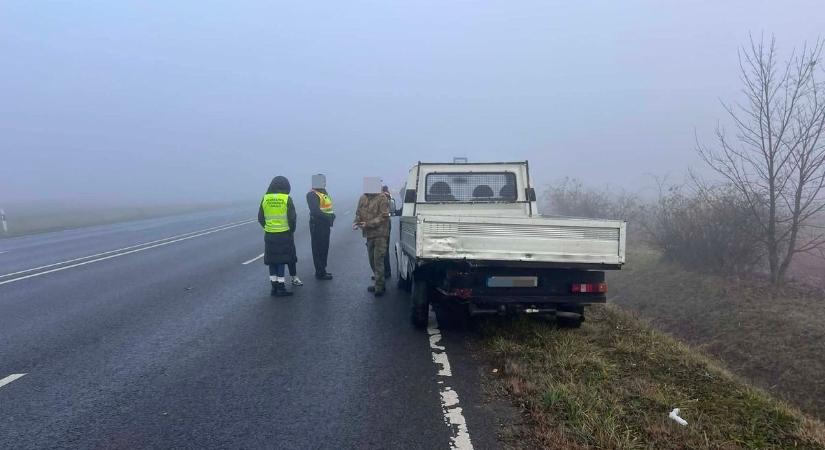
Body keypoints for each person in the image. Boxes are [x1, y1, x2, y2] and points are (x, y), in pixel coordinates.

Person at [258, 176, 297, 297]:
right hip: (283, 234)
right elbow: (292, 218)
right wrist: (291, 230)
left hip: (269, 234)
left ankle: (274, 287)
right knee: (281, 261)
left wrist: (268, 227)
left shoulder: (265, 198)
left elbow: (260, 217)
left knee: (272, 261)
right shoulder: (286, 199)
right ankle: (281, 287)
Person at [353, 177, 390, 297]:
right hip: (369, 235)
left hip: (380, 234)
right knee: (372, 261)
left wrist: (368, 224)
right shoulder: (362, 198)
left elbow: (384, 216)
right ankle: (379, 282)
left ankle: (379, 286)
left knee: (378, 260)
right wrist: (356, 222)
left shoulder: (382, 198)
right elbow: (358, 212)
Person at [306, 174, 335, 280]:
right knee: (318, 249)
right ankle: (320, 272)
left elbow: (327, 208)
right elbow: (315, 211)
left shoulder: (323, 193)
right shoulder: (312, 194)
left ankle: (323, 270)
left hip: (325, 225)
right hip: (317, 225)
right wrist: (328, 217)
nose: (324, 183)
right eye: (322, 181)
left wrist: (332, 216)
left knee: (324, 248)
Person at [381, 185, 396, 278]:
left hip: (384, 224)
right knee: (383, 249)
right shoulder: (388, 196)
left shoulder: (384, 196)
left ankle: (385, 272)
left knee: (383, 249)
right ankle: (384, 272)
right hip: (385, 224)